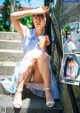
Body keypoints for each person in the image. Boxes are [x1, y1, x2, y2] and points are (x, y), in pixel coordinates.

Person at [1, 6, 59, 108]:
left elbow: (48, 62)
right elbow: (12, 17)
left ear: (47, 19)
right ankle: (19, 91)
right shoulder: (26, 33)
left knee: (41, 56)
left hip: (39, 76)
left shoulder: (50, 39)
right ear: (32, 19)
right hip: (25, 72)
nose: (38, 20)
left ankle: (47, 92)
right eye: (35, 17)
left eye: (41, 17)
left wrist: (45, 47)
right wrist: (34, 10)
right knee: (31, 56)